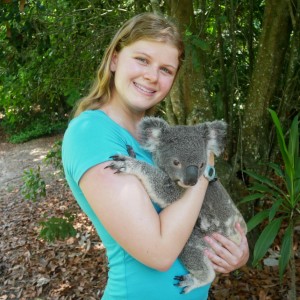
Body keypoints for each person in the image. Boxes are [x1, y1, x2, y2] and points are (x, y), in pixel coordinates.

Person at [62, 12, 249, 300]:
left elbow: (198, 210)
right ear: (114, 59)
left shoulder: (156, 139)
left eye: (166, 69)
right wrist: (204, 168)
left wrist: (236, 248)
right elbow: (159, 252)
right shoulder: (91, 133)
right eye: (142, 59)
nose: (152, 76)